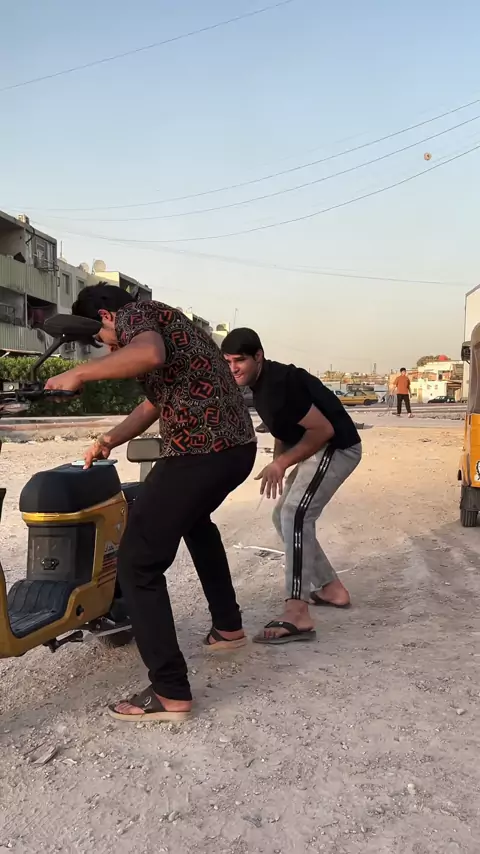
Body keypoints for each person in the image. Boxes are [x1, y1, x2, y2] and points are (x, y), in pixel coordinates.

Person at [45, 285, 256, 723]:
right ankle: (228, 626)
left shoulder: (135, 315)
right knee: (196, 523)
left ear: (106, 315)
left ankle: (170, 690)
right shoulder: (169, 322)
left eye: (101, 337)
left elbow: (148, 354)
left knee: (137, 564)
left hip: (202, 451)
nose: (108, 346)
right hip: (234, 449)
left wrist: (80, 373)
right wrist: (109, 439)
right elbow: (153, 404)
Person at [221, 328, 362, 644]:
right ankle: (331, 588)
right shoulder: (261, 384)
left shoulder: (279, 386)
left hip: (337, 447)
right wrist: (280, 464)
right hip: (319, 448)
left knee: (295, 515)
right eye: (228, 362)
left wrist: (282, 463)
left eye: (239, 360)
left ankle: (297, 611)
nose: (233, 368)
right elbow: (282, 429)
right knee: (282, 515)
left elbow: (323, 430)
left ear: (258, 356)